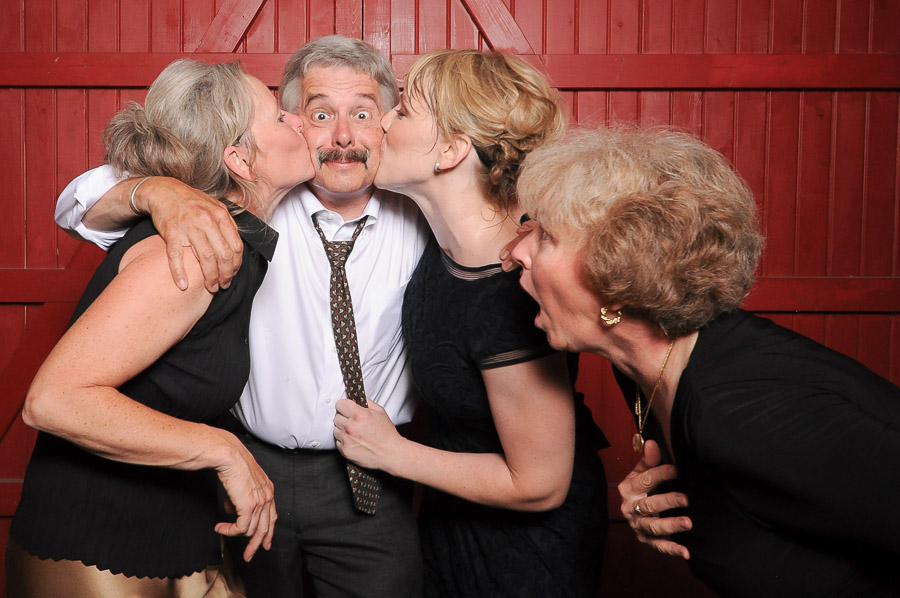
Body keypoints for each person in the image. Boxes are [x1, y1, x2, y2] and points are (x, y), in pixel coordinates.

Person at [52, 36, 428, 598]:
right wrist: (156, 191)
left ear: (388, 125)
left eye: (362, 114)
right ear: (295, 124)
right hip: (249, 472)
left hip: (373, 480)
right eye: (320, 114)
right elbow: (77, 205)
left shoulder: (425, 209)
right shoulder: (247, 204)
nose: (343, 137)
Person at [510, 126, 900, 596]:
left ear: (617, 274)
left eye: (547, 237)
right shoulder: (646, 369)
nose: (517, 253)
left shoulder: (741, 412)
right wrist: (677, 510)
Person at [7, 59, 315, 597]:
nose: (296, 121)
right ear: (240, 159)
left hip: (182, 526)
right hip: (94, 539)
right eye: (279, 118)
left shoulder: (229, 240)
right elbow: (53, 400)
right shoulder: (196, 254)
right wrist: (224, 450)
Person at [332, 49, 608, 598]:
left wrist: (390, 452)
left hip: (527, 555)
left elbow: (540, 484)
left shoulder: (511, 283)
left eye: (404, 111)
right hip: (450, 519)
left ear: (454, 150)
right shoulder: (445, 243)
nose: (383, 120)